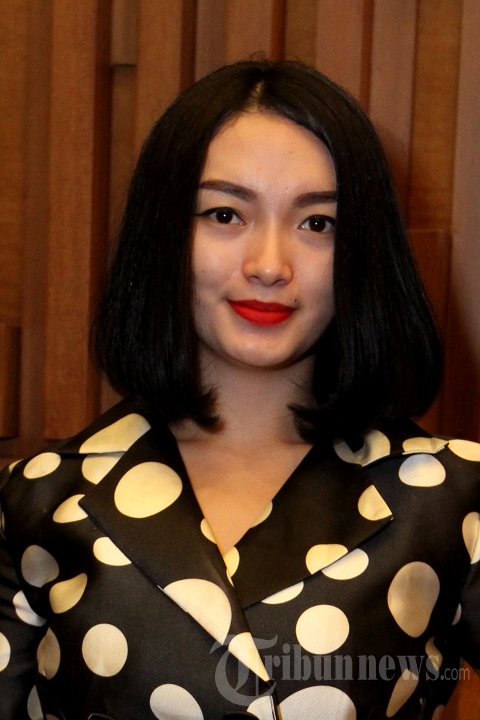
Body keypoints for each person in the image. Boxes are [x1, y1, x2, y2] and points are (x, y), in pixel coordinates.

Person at [0, 59, 479, 720]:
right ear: (165, 236)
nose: (269, 265)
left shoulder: (451, 495)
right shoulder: (38, 497)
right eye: (225, 214)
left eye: (318, 223)